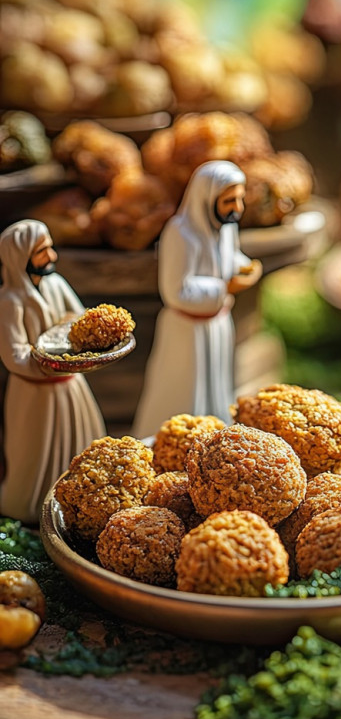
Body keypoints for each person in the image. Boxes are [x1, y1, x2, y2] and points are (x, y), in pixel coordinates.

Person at [133, 161, 262, 437]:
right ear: (207, 197)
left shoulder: (226, 227)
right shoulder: (180, 233)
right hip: (186, 331)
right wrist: (224, 287)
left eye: (240, 198)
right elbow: (176, 290)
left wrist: (245, 267)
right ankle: (171, 442)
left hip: (217, 324)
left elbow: (230, 258)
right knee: (182, 391)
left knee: (217, 387)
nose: (237, 208)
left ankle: (215, 438)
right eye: (229, 200)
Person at [0, 219, 105, 524]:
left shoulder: (57, 284)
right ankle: (30, 510)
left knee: (82, 441)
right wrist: (47, 362)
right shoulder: (9, 301)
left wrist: (70, 343)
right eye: (43, 251)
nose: (52, 257)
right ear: (21, 256)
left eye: (49, 248)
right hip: (34, 392)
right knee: (33, 451)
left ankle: (81, 502)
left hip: (71, 384)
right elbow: (14, 353)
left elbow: (80, 317)